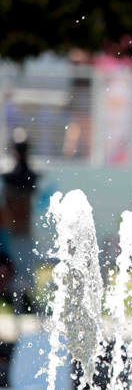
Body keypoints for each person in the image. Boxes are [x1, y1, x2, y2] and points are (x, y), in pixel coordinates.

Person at [1, 128, 39, 313]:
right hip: (11, 233)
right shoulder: (9, 176)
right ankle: (14, 301)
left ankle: (23, 302)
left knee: (25, 269)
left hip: (24, 231)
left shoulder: (29, 175)